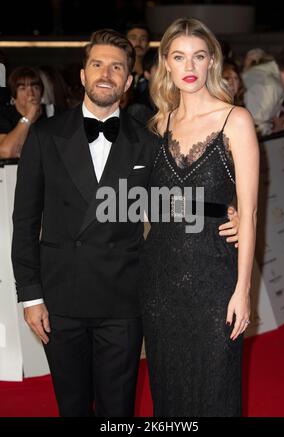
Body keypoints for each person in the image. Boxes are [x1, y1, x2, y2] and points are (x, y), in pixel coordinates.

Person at [12, 28, 240, 417]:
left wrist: (222, 211)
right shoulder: (46, 136)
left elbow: (167, 200)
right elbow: (25, 220)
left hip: (124, 300)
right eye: (97, 65)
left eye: (117, 67)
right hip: (60, 296)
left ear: (128, 81)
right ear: (82, 75)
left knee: (118, 411)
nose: (106, 74)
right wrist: (30, 295)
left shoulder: (148, 140)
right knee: (72, 406)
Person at [140, 18, 259, 417]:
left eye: (198, 56)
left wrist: (243, 290)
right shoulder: (158, 125)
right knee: (167, 391)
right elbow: (149, 204)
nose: (189, 65)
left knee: (216, 389)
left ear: (211, 62)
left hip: (214, 279)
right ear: (166, 65)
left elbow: (251, 210)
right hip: (160, 279)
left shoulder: (235, 120)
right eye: (178, 56)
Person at [0, 66, 45, 158]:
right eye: (23, 88)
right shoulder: (4, 116)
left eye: (35, 87)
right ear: (13, 95)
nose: (30, 93)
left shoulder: (52, 113)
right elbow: (6, 152)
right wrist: (28, 117)